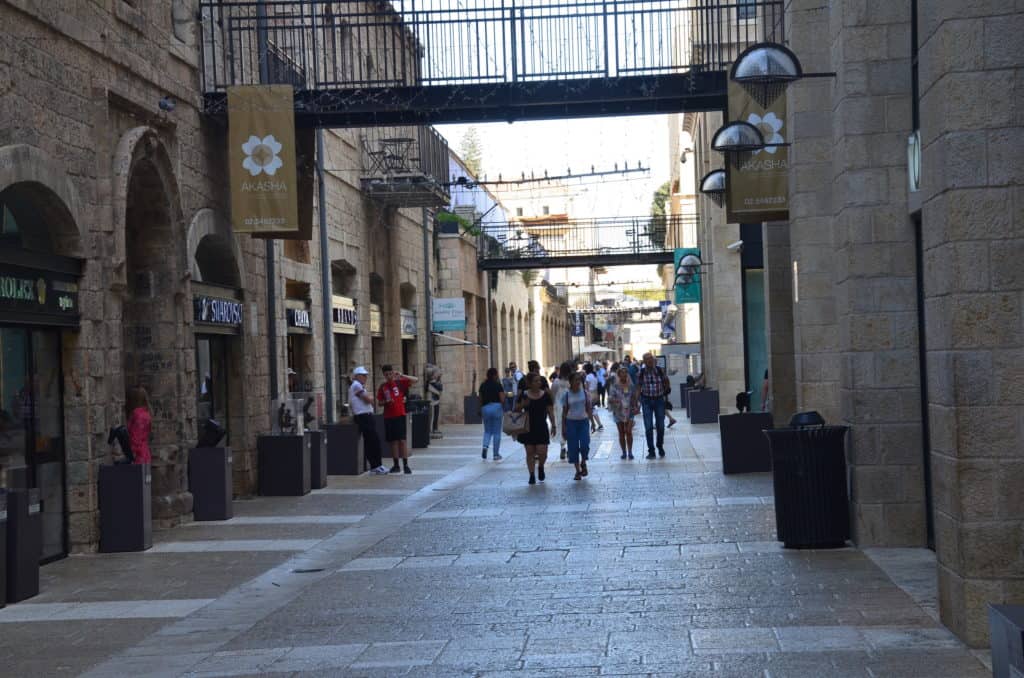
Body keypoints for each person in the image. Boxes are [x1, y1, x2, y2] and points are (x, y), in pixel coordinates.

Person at [376, 364, 418, 474]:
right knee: (393, 441)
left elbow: (416, 380)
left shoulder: (399, 383)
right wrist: (386, 402)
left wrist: (402, 375)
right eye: (386, 374)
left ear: (393, 373)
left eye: (390, 373)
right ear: (384, 375)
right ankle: (396, 465)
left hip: (400, 415)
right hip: (389, 416)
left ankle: (406, 465)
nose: (389, 376)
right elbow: (379, 402)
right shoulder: (382, 387)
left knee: (402, 441)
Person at [515, 373, 556, 485]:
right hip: (527, 427)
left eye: (539, 381)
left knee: (542, 452)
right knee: (530, 452)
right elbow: (516, 410)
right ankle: (532, 475)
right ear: (529, 383)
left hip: (541, 426)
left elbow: (550, 411)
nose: (539, 383)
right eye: (536, 381)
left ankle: (541, 466)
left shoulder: (545, 395)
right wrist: (522, 405)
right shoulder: (524, 395)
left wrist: (554, 425)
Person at [349, 367, 388, 474]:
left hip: (367, 416)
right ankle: (375, 466)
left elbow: (369, 399)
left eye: (366, 375)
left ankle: (377, 465)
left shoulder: (359, 386)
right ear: (357, 376)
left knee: (373, 441)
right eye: (363, 375)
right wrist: (370, 398)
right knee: (372, 441)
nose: (365, 377)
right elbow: (368, 399)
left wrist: (370, 398)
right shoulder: (356, 385)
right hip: (363, 417)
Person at [561, 372, 593, 481]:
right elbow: (564, 412)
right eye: (576, 380)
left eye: (579, 380)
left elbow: (589, 408)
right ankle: (577, 470)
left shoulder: (585, 393)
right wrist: (563, 427)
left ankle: (583, 462)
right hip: (571, 423)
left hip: (583, 422)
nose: (578, 382)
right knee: (573, 448)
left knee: (585, 445)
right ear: (570, 382)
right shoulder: (567, 395)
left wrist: (593, 422)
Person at [638, 352, 670, 459]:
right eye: (647, 359)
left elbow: (666, 381)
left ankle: (660, 446)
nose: (650, 361)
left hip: (659, 400)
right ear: (644, 361)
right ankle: (651, 450)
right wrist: (637, 403)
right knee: (648, 427)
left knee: (660, 426)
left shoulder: (660, 370)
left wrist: (665, 393)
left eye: (651, 359)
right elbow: (638, 387)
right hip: (646, 401)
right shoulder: (641, 372)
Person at [607, 367, 640, 459]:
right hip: (618, 411)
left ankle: (630, 451)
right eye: (622, 373)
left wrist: (636, 406)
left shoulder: (630, 385)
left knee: (628, 431)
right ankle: (624, 452)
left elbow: (634, 397)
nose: (624, 374)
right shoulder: (615, 385)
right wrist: (615, 400)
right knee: (621, 432)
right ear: (619, 374)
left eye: (625, 372)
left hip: (629, 410)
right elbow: (610, 398)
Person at [479, 367, 505, 461]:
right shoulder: (498, 385)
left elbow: (480, 399)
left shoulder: (483, 385)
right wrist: (503, 408)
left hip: (485, 408)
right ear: (495, 375)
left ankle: (485, 447)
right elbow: (502, 399)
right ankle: (495, 454)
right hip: (496, 407)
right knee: (497, 432)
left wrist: (480, 409)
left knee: (487, 431)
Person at [550, 362, 572, 460]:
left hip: (559, 407)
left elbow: (552, 396)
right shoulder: (571, 382)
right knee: (569, 426)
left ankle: (563, 447)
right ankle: (569, 448)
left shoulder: (556, 382)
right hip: (569, 407)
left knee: (561, 427)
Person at [126, 386, 152, 465]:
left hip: (138, 455)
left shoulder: (138, 415)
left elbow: (136, 438)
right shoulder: (146, 413)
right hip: (144, 452)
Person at [583, 363, 602, 433]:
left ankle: (593, 425)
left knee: (589, 410)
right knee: (592, 409)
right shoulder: (594, 376)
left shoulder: (588, 377)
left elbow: (587, 388)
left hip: (590, 394)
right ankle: (599, 424)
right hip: (595, 394)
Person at [426, 366, 443, 439]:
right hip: (432, 402)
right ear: (432, 375)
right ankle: (431, 430)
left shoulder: (436, 382)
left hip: (436, 401)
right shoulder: (431, 383)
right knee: (432, 416)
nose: (438, 375)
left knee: (436, 415)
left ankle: (435, 428)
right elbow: (439, 390)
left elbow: (440, 389)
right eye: (437, 373)